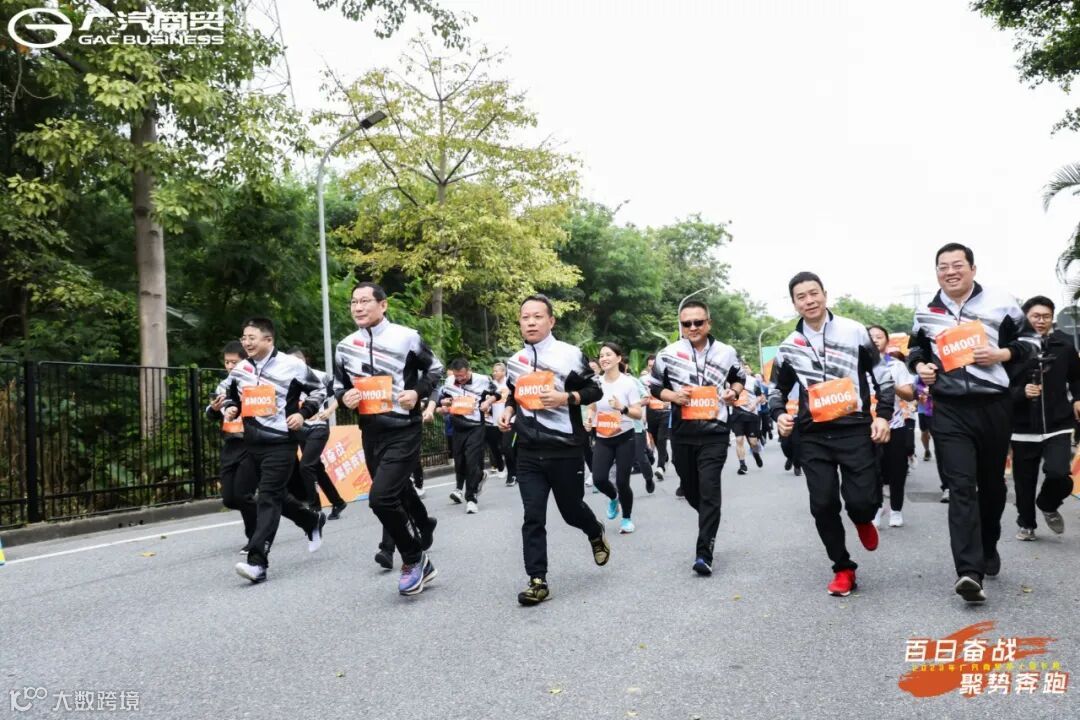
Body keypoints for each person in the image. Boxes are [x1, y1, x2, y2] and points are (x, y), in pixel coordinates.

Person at [907, 243, 1038, 603]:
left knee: (992, 486)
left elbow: (1031, 342)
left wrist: (1002, 353)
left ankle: (989, 543)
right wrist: (920, 367)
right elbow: (915, 351)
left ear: (973, 269)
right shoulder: (926, 312)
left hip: (994, 405)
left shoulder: (1001, 302)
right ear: (936, 273)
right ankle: (969, 571)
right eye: (943, 267)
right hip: (949, 408)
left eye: (957, 265)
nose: (950, 272)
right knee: (961, 487)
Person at [768, 273, 894, 598]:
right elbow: (776, 388)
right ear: (794, 303)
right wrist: (779, 414)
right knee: (823, 504)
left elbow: (881, 374)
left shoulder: (854, 331)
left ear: (825, 294)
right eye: (801, 297)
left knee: (861, 502)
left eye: (814, 293)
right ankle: (842, 568)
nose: (809, 301)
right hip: (813, 435)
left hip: (854, 429)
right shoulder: (788, 346)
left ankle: (862, 518)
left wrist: (883, 415)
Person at [334, 282, 445, 597]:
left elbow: (436, 370)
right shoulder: (345, 346)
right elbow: (338, 386)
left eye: (365, 301)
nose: (358, 307)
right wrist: (344, 397)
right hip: (370, 431)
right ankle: (424, 522)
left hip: (404, 428)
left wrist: (417, 392)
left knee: (381, 498)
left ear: (382, 305)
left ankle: (414, 559)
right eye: (354, 302)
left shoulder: (406, 337)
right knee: (399, 489)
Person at [499, 294, 609, 606]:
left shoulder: (569, 355)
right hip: (528, 451)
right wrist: (508, 410)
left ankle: (594, 530)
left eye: (537, 317)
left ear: (551, 321)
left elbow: (594, 390)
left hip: (565, 448)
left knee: (571, 510)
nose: (531, 323)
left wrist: (566, 398)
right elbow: (514, 393)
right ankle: (537, 580)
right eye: (525, 317)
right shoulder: (515, 361)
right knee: (533, 516)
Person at [222, 318, 328, 584]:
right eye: (244, 338)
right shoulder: (242, 369)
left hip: (281, 442)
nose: (246, 343)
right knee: (247, 494)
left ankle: (257, 562)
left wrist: (303, 413)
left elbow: (320, 389)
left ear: (268, 340)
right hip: (251, 444)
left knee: (268, 497)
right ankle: (310, 521)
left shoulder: (292, 365)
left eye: (252, 338)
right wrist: (230, 408)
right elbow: (231, 395)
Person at [648, 300, 745, 576]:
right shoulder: (668, 354)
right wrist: (673, 396)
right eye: (686, 323)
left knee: (710, 488)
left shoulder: (726, 352)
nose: (692, 327)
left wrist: (734, 392)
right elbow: (655, 387)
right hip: (682, 432)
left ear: (708, 323)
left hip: (715, 431)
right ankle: (709, 517)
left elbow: (739, 379)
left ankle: (704, 553)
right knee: (691, 490)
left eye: (698, 322)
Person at [1010, 295, 1080, 540]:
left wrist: (1078, 398)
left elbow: (1077, 377)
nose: (1041, 321)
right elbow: (999, 384)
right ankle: (1026, 524)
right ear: (1025, 318)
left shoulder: (1064, 346)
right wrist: (1021, 392)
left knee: (1059, 474)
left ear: (1052, 318)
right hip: (1022, 426)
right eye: (1036, 316)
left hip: (1058, 423)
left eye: (1046, 316)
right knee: (1024, 480)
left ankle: (1048, 504)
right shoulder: (1011, 348)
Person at [586, 342, 645, 534]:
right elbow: (592, 406)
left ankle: (627, 519)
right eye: (601, 355)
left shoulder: (628, 383)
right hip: (603, 436)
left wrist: (623, 408)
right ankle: (613, 498)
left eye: (608, 354)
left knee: (622, 482)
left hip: (624, 437)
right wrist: (589, 418)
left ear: (619, 358)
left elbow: (638, 413)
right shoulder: (596, 382)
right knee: (599, 479)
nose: (604, 358)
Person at [206, 341, 258, 549]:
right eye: (227, 362)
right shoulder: (223, 386)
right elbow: (211, 413)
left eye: (234, 362)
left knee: (243, 495)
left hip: (251, 444)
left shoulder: (255, 383)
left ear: (245, 362)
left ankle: (255, 538)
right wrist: (214, 409)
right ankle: (262, 512)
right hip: (231, 444)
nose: (229, 366)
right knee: (229, 499)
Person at [288, 348, 348, 520]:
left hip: (318, 427)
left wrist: (329, 411)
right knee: (316, 468)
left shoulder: (320, 376)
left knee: (306, 466)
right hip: (300, 428)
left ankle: (315, 508)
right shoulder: (286, 378)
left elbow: (341, 391)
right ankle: (338, 502)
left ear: (303, 361)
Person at [867, 326, 916, 529]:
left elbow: (909, 395)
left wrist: (889, 383)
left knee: (897, 471)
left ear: (887, 341)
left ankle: (896, 509)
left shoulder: (896, 365)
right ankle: (877, 508)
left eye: (879, 337)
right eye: (871, 337)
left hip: (893, 425)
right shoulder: (857, 365)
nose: (875, 340)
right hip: (865, 427)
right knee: (872, 472)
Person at [439, 358, 497, 514]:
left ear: (469, 370)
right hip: (458, 427)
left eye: (462, 375)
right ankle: (476, 478)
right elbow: (441, 400)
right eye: (457, 376)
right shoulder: (449, 381)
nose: (460, 379)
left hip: (476, 426)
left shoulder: (482, 380)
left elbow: (497, 393)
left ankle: (471, 499)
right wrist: (444, 405)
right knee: (459, 462)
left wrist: (488, 402)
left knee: (472, 461)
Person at [731, 363, 764, 475]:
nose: (744, 369)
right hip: (737, 414)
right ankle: (743, 465)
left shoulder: (754, 381)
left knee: (753, 442)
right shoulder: (732, 381)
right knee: (739, 440)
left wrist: (754, 403)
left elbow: (760, 396)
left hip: (751, 414)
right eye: (742, 368)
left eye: (746, 368)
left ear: (750, 370)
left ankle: (756, 453)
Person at [643, 355, 670, 483]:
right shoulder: (643, 380)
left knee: (661, 438)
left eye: (655, 366)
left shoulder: (667, 379)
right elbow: (641, 397)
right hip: (651, 413)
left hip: (665, 412)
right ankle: (665, 455)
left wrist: (669, 402)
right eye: (650, 366)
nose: (652, 368)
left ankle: (660, 467)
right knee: (655, 437)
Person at [486, 362, 510, 483]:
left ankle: (512, 470)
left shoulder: (509, 383)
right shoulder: (491, 385)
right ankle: (500, 468)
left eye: (496, 371)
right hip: (492, 420)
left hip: (506, 419)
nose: (494, 373)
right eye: (493, 371)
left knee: (507, 446)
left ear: (503, 372)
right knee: (494, 447)